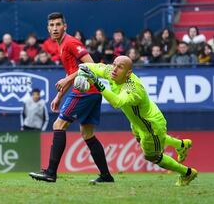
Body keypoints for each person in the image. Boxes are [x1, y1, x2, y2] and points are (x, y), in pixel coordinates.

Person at [75, 57, 197, 186]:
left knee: (151, 156)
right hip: (137, 121)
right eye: (114, 64)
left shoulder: (133, 88)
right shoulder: (111, 71)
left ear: (128, 73)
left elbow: (117, 102)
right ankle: (181, 145)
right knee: (140, 140)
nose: (114, 69)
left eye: (120, 67)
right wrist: (82, 74)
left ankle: (187, 173)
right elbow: (85, 66)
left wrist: (95, 82)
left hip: (151, 125)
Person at [29, 12, 112, 183]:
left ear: (64, 26)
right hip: (93, 92)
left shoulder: (71, 42)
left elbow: (91, 65)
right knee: (87, 133)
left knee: (59, 124)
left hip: (85, 91)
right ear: (48, 28)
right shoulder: (61, 45)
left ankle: (51, 172)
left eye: (58, 24)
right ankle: (106, 176)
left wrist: (67, 80)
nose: (55, 28)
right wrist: (59, 96)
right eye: (52, 25)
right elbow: (71, 72)